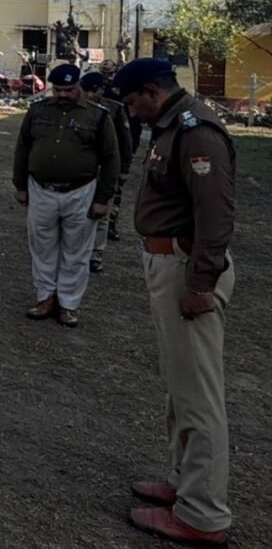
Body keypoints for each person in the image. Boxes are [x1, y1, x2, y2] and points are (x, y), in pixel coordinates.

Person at [112, 59, 236, 546]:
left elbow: (216, 214)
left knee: (198, 396)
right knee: (179, 386)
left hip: (187, 266)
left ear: (150, 91)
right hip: (169, 262)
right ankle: (185, 482)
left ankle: (203, 514)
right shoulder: (172, 127)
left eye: (132, 102)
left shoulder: (195, 131)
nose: (131, 112)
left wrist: (200, 284)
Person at [12, 64, 119, 327]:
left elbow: (111, 159)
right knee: (42, 248)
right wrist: (20, 185)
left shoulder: (98, 116)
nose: (62, 94)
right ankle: (45, 298)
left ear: (79, 86)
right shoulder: (37, 111)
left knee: (77, 252)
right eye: (58, 89)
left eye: (69, 90)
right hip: (41, 189)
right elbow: (23, 148)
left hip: (80, 190)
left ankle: (68, 304)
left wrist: (102, 199)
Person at [80, 71, 133, 273]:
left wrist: (124, 169)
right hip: (82, 169)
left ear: (102, 90)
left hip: (107, 168)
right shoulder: (76, 108)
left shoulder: (114, 109)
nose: (89, 95)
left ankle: (96, 254)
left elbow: (125, 142)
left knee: (102, 214)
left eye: (94, 91)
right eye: (85, 90)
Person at [102, 58, 143, 241]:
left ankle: (111, 224)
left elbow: (134, 126)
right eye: (105, 72)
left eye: (110, 72)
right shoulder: (102, 92)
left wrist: (129, 154)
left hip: (123, 143)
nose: (107, 76)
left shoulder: (127, 96)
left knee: (116, 189)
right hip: (106, 145)